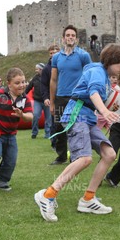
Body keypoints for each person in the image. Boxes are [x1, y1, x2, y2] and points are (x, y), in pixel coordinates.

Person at [34, 43, 120, 222]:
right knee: (84, 158)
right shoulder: (97, 72)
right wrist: (105, 112)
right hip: (77, 115)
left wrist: (109, 107)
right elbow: (93, 93)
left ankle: (88, 199)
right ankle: (47, 195)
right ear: (111, 60)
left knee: (109, 154)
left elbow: (95, 98)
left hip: (88, 118)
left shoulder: (106, 78)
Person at [49, 25, 92, 165]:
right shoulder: (56, 57)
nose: (70, 37)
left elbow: (89, 76)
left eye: (73, 35)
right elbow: (53, 80)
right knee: (59, 127)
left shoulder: (84, 56)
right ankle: (61, 157)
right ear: (63, 39)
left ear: (77, 39)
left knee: (77, 127)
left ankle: (77, 156)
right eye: (67, 35)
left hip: (77, 98)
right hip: (61, 97)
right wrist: (52, 101)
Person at [41, 44, 61, 146]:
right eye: (51, 53)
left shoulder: (64, 66)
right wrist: (45, 98)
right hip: (53, 98)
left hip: (64, 97)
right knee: (54, 122)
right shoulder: (46, 69)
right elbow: (43, 85)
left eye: (55, 53)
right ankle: (54, 143)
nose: (53, 55)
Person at [26, 63, 51, 139]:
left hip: (47, 100)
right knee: (36, 116)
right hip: (37, 101)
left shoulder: (48, 77)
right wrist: (22, 96)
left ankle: (48, 134)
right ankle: (34, 132)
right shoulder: (35, 78)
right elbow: (29, 88)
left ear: (41, 69)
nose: (35, 70)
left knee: (48, 118)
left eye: (36, 69)